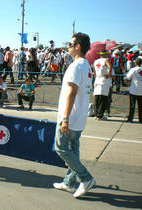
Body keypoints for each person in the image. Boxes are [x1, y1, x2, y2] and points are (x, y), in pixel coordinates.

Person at [53, 32, 96, 198]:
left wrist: (65, 118)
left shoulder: (76, 66)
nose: (68, 47)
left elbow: (72, 92)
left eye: (70, 45)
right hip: (79, 117)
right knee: (73, 150)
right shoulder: (86, 66)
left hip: (70, 117)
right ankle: (70, 182)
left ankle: (86, 178)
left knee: (61, 148)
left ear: (77, 47)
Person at [93, 49, 113, 120]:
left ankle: (96, 114)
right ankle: (100, 115)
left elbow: (94, 72)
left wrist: (96, 76)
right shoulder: (105, 60)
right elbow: (110, 66)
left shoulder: (96, 61)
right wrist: (109, 74)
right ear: (105, 54)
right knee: (103, 99)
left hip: (97, 80)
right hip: (104, 81)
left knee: (97, 98)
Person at [125, 58, 142, 123]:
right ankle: (141, 119)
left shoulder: (133, 70)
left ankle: (130, 118)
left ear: (135, 63)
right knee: (141, 106)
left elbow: (128, 78)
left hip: (134, 90)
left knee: (132, 105)